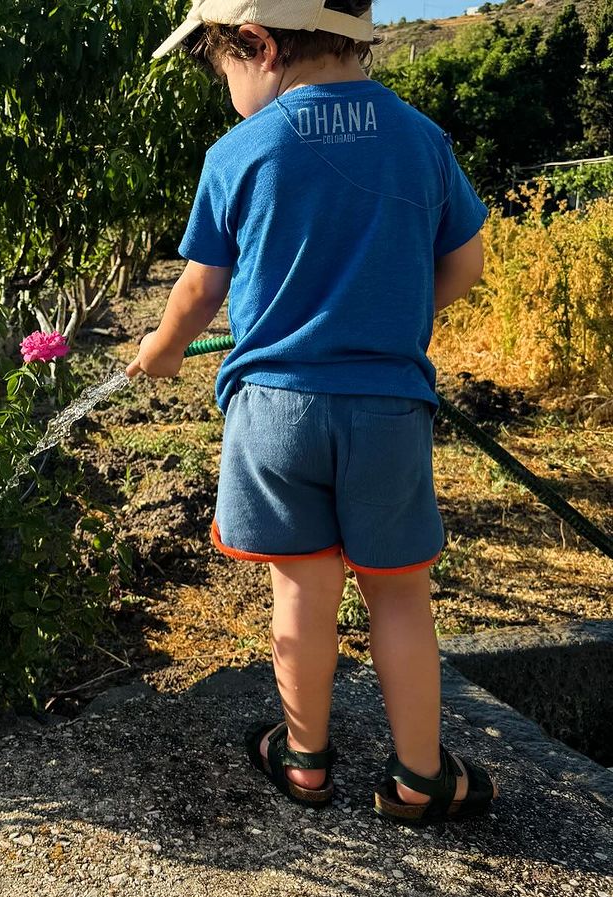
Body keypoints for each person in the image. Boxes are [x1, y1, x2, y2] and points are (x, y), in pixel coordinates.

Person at [127, 0, 496, 824]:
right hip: (387, 410)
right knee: (400, 595)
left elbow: (198, 290)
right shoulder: (420, 138)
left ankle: (304, 760)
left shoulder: (242, 151)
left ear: (258, 44)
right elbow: (465, 262)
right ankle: (420, 778)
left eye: (222, 69)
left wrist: (156, 353)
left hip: (275, 414)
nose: (225, 88)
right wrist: (392, 322)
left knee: (301, 590)